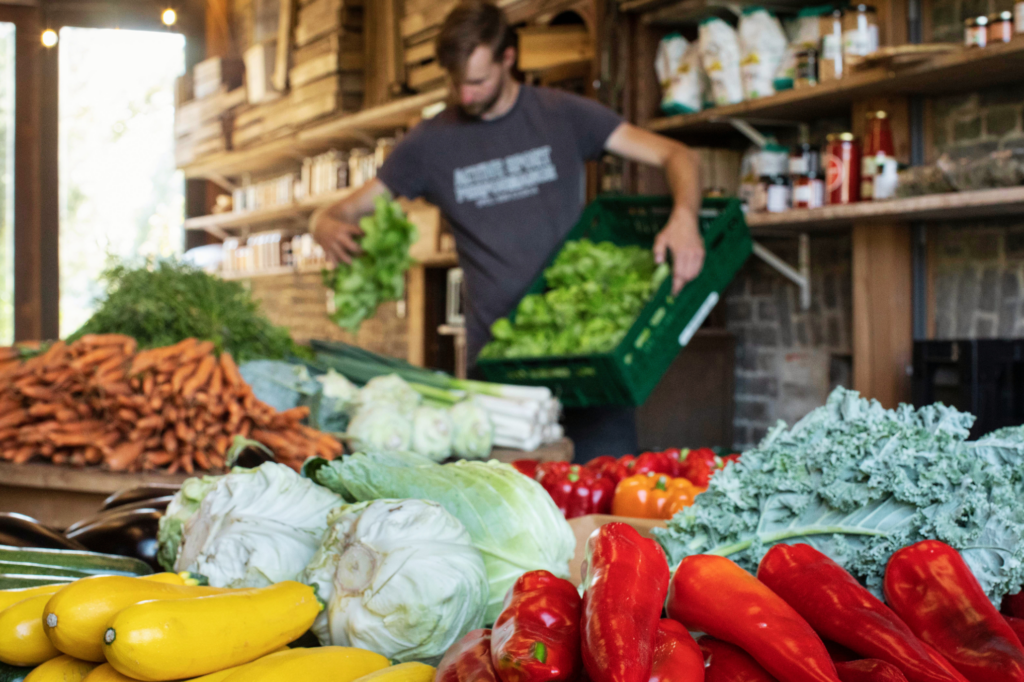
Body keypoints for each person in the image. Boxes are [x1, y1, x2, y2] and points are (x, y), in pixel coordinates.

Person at [311, 1, 704, 461]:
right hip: (500, 368)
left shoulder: (564, 115)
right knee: (511, 515)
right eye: (456, 83)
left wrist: (684, 219)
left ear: (508, 59)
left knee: (607, 494)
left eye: (478, 81)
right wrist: (323, 224)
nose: (466, 96)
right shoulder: (429, 143)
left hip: (589, 356)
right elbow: (344, 210)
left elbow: (678, 156)